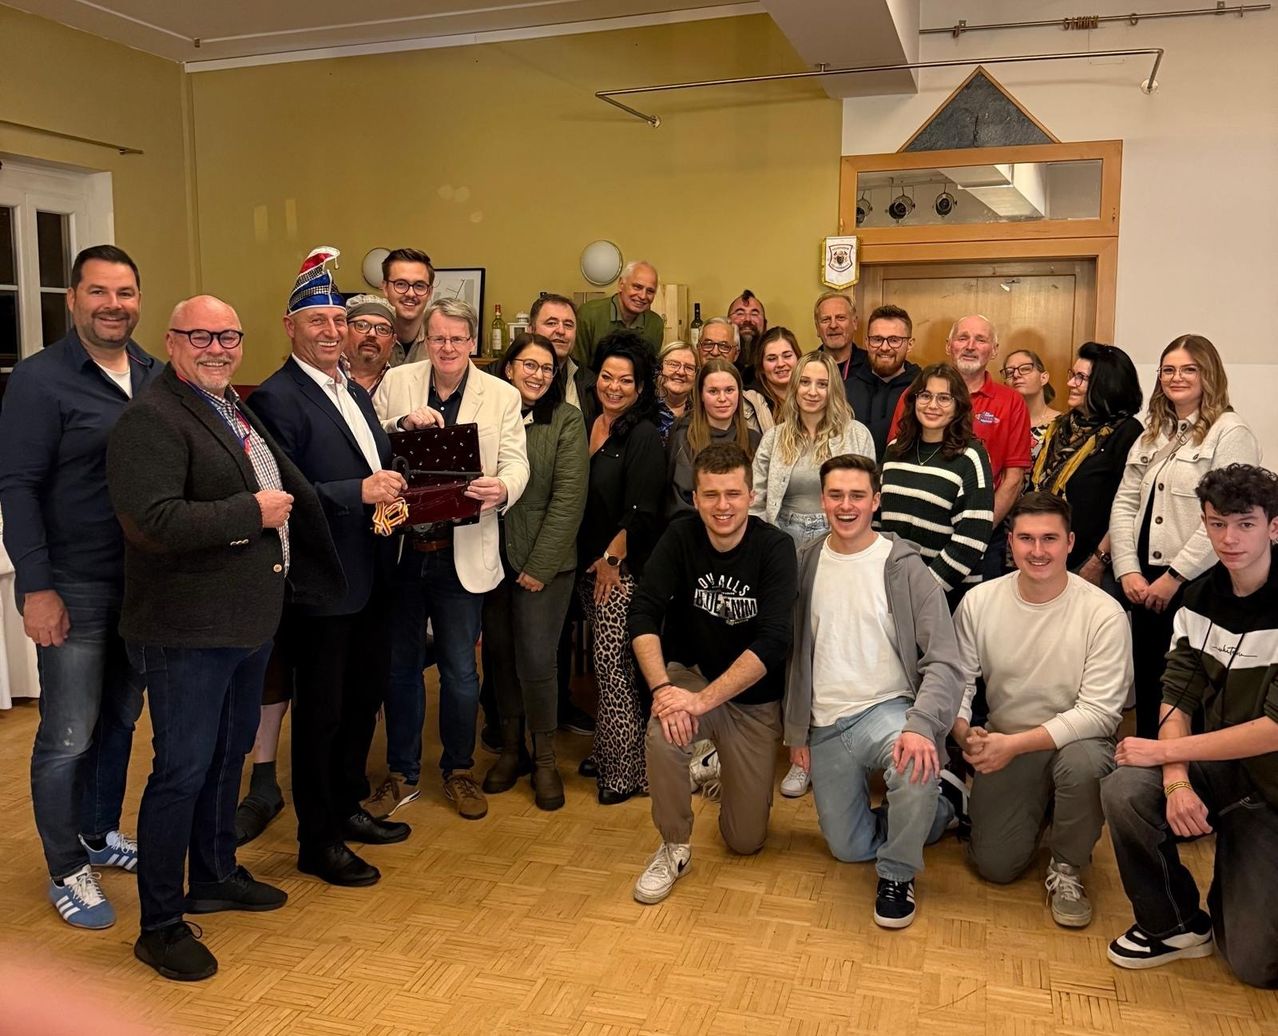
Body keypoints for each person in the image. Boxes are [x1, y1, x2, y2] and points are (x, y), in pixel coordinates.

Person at [107, 294, 345, 981]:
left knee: (225, 757)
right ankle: (159, 924)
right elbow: (151, 522)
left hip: (245, 624)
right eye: (202, 336)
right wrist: (253, 512)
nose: (218, 348)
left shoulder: (226, 405)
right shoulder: (149, 418)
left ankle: (213, 873)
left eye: (230, 336)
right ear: (172, 340)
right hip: (186, 631)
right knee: (180, 771)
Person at [0, 244, 158, 929]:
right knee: (66, 734)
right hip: (73, 583)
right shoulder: (40, 380)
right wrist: (37, 589)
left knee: (121, 720)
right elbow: (18, 487)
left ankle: (98, 832)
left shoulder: (155, 373)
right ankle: (67, 865)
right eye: (98, 292)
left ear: (138, 300)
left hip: (145, 587)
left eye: (124, 292)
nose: (113, 305)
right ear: (73, 300)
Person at [247, 250, 411, 887]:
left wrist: (402, 453)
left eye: (338, 319)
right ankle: (317, 842)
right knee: (321, 714)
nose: (330, 330)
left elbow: (369, 459)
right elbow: (288, 491)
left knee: (359, 701)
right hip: (321, 584)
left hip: (371, 575)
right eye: (316, 319)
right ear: (290, 327)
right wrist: (360, 493)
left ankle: (345, 809)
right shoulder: (276, 398)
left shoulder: (351, 390)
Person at [1102, 463, 1278, 987]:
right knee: (1125, 789)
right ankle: (1175, 923)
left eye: (1245, 524)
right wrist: (1176, 779)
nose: (1229, 538)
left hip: (1271, 788)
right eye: (1217, 523)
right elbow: (1175, 700)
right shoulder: (1197, 597)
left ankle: (1240, 875)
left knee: (1256, 966)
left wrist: (1159, 755)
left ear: (1274, 526)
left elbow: (1273, 729)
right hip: (1216, 769)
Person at [786, 454, 964, 928]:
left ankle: (898, 873)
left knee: (915, 761)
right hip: (825, 725)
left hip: (888, 711)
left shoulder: (903, 567)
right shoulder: (805, 562)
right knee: (847, 849)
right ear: (823, 499)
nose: (847, 506)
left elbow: (945, 659)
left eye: (858, 496)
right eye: (836, 495)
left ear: (876, 501)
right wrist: (796, 732)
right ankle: (937, 809)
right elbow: (793, 655)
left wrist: (923, 727)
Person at [372, 297, 530, 820]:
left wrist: (501, 488)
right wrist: (400, 421)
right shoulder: (398, 381)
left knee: (462, 671)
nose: (446, 348)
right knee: (401, 668)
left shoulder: (502, 394)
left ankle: (459, 771)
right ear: (427, 338)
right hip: (402, 550)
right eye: (438, 338)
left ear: (472, 343)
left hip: (461, 550)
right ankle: (401, 773)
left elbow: (516, 462)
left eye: (457, 340)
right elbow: (368, 442)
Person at [954, 492, 1131, 929]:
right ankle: (1045, 806)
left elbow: (1102, 712)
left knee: (1085, 763)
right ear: (1009, 542)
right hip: (1008, 741)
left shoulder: (1104, 613)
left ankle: (1068, 864)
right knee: (994, 866)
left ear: (1070, 543)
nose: (1037, 551)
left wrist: (1013, 745)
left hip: (1074, 743)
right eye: (1026, 539)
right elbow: (956, 684)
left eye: (1049, 539)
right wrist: (963, 733)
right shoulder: (979, 602)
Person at [630, 444, 797, 904]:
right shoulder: (680, 537)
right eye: (711, 495)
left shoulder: (775, 548)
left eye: (733, 494)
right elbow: (642, 612)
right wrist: (665, 690)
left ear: (751, 494)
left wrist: (701, 704)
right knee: (665, 735)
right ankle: (673, 846)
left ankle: (713, 761)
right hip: (692, 676)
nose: (722, 506)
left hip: (751, 699)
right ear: (695, 497)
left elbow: (773, 642)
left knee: (745, 840)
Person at [1109, 334, 1260, 737]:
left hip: (1196, 583)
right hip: (1144, 580)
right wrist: (1127, 569)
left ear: (1209, 375)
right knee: (1150, 682)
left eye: (1189, 369)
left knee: (1187, 691)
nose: (1177, 377)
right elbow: (1125, 502)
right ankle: (1146, 773)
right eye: (1169, 369)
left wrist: (1174, 577)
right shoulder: (1154, 432)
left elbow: (1223, 518)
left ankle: (1185, 780)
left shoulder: (1230, 432)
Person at [481, 333, 588, 810]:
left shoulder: (566, 421)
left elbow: (568, 501)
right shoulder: (488, 416)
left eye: (547, 368)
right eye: (529, 365)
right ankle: (510, 750)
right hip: (488, 562)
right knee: (500, 657)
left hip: (546, 566)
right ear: (509, 368)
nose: (538, 375)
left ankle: (545, 760)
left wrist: (538, 565)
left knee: (537, 663)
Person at [576, 331, 666, 804]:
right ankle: (611, 749)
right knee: (603, 667)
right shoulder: (590, 423)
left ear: (640, 387)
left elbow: (643, 509)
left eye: (625, 380)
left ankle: (627, 773)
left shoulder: (645, 434)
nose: (614, 387)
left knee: (615, 671)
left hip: (621, 571)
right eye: (607, 377)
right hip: (586, 568)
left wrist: (612, 559)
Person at [890, 315, 1031, 581]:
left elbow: (1013, 479)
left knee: (971, 618)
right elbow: (897, 458)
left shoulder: (1011, 402)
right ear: (948, 345)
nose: (970, 346)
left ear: (994, 349)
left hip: (983, 537)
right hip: (914, 540)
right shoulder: (915, 395)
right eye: (962, 338)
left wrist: (974, 532)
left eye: (980, 339)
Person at [878, 364, 994, 606]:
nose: (932, 405)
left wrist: (925, 589)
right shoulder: (894, 450)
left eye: (944, 398)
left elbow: (972, 538)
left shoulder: (971, 456)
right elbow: (878, 519)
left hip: (945, 597)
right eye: (926, 396)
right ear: (914, 400)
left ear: (958, 406)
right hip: (892, 589)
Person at [1029, 342, 1143, 576]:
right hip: (1047, 555)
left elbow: (1130, 507)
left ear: (1105, 385)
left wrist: (1098, 561)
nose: (1070, 383)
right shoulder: (1061, 427)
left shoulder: (1127, 433)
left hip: (1093, 564)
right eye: (1073, 374)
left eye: (1081, 377)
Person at [753, 350, 875, 548]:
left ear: (833, 389)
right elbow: (756, 499)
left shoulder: (857, 435)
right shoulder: (774, 438)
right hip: (782, 535)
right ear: (795, 387)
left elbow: (867, 499)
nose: (812, 392)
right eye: (805, 382)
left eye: (822, 384)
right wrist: (763, 543)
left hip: (835, 534)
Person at [667, 359, 760, 516]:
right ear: (701, 395)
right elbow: (679, 504)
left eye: (729, 390)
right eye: (713, 391)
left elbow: (758, 498)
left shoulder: (754, 440)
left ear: (739, 393)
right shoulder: (684, 438)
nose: (722, 398)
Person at [844, 304, 919, 459]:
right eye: (877, 339)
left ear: (909, 344)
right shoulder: (844, 390)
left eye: (894, 340)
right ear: (866, 342)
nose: (885, 347)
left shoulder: (922, 392)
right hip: (853, 479)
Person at [573, 261, 663, 366]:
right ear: (621, 284)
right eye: (637, 287)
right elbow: (578, 368)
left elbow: (650, 370)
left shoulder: (655, 324)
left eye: (650, 291)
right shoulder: (589, 315)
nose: (643, 296)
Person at [1000, 348, 1061, 461]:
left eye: (1025, 369)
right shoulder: (999, 423)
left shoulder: (1062, 424)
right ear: (1005, 385)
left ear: (1043, 378)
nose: (1016, 375)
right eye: (1009, 372)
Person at [380, 247, 435, 366]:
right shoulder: (370, 337)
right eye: (401, 284)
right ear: (385, 288)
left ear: (429, 292)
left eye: (419, 286)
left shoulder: (440, 342)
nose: (410, 293)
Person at [742, 327, 798, 434]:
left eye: (787, 356)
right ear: (761, 366)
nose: (781, 364)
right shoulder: (749, 402)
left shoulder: (812, 394)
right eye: (772, 359)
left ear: (798, 358)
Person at [341, 293, 398, 394]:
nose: (372, 334)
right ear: (345, 330)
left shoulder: (401, 383)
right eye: (361, 325)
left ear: (393, 341)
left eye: (383, 329)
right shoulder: (324, 374)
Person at [654, 340, 698, 444]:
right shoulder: (641, 411)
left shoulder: (700, 413)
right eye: (673, 364)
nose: (681, 372)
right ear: (659, 368)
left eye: (689, 368)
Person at [813, 292, 863, 381]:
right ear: (817, 328)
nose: (833, 325)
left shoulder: (871, 367)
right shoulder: (806, 367)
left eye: (840, 318)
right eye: (826, 319)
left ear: (854, 323)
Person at [727, 289, 767, 380]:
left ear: (765, 324)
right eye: (740, 313)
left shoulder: (774, 365)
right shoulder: (719, 361)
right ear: (727, 323)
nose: (747, 319)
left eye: (754, 314)